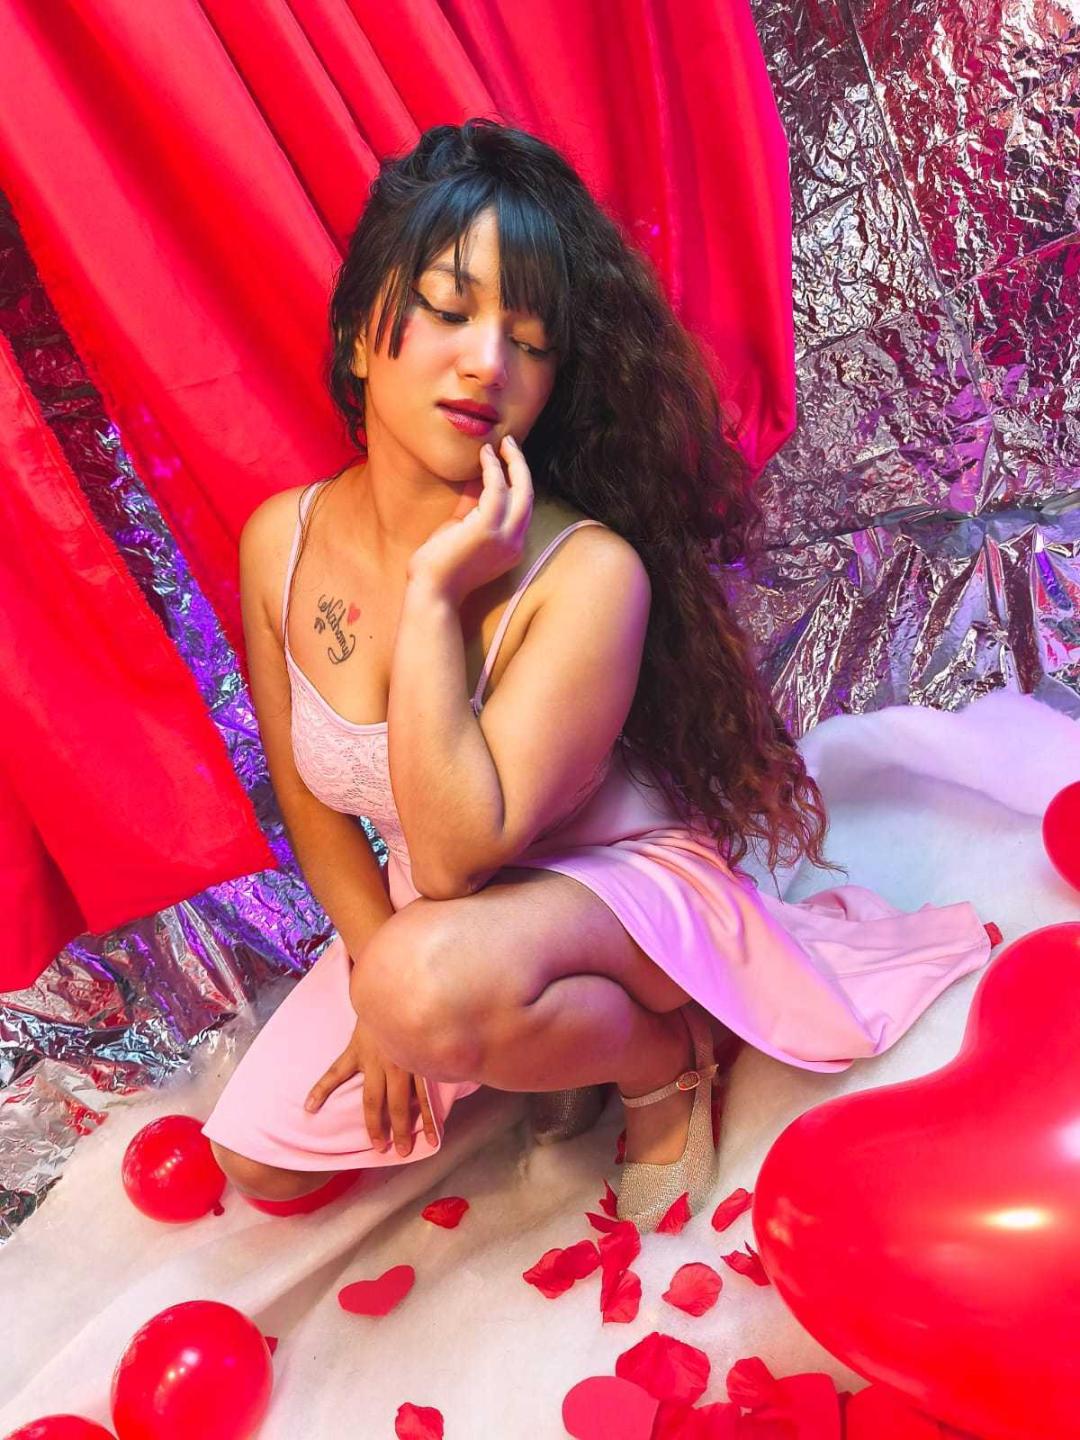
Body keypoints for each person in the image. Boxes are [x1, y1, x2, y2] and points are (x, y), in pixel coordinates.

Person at [202, 118, 996, 1233]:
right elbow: (308, 798)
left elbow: (458, 850)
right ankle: (502, 1020)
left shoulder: (588, 573)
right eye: (450, 309)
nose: (489, 363)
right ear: (358, 336)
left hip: (622, 893)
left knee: (421, 989)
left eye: (531, 342)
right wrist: (376, 980)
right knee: (259, 1164)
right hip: (446, 921)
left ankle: (658, 1052)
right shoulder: (279, 541)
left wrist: (433, 599)